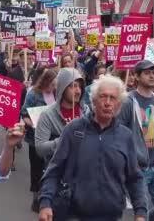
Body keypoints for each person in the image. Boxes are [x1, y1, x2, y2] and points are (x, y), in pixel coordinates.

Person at [38, 75, 147, 221]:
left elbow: (134, 178)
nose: (107, 103)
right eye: (103, 97)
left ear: (119, 105)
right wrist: (45, 203)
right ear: (94, 101)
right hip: (74, 215)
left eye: (113, 98)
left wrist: (140, 212)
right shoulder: (73, 130)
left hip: (112, 216)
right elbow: (54, 170)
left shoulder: (125, 136)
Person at [118, 60, 154, 221]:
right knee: (143, 210)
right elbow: (119, 132)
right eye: (147, 73)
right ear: (136, 76)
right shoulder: (128, 101)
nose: (152, 76)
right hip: (139, 167)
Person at [21, 67, 57, 211]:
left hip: (53, 138)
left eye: (56, 85)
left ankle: (48, 196)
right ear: (45, 82)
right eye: (52, 84)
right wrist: (35, 125)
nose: (54, 87)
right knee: (36, 167)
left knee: (50, 168)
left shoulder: (57, 94)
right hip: (35, 138)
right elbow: (24, 114)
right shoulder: (33, 94)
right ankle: (36, 197)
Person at [35, 68, 87, 162]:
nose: (78, 91)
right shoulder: (48, 115)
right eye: (73, 86)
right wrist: (65, 139)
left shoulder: (87, 112)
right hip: (58, 172)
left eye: (80, 87)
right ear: (63, 88)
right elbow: (40, 149)